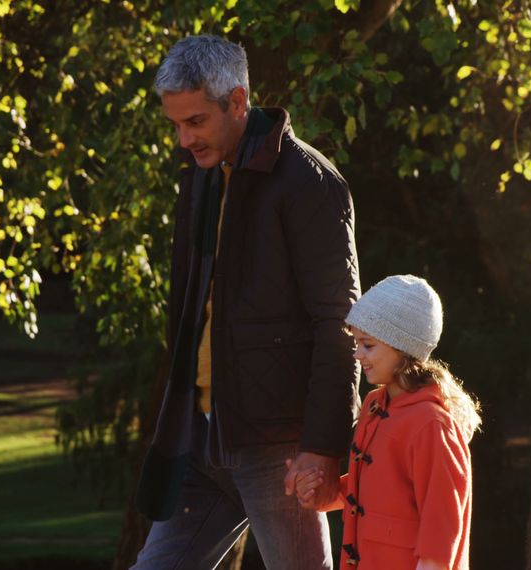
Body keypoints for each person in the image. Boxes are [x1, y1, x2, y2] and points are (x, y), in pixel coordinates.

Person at [132, 34, 361, 569]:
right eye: (176, 125)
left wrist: (322, 445)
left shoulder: (309, 182)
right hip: (201, 438)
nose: (184, 140)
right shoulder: (202, 176)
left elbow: (339, 323)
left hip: (278, 450)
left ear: (237, 102)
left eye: (196, 122)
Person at [289, 275, 481, 570]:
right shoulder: (374, 405)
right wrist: (319, 491)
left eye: (367, 345)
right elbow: (369, 487)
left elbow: (442, 521)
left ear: (401, 348)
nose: (357, 354)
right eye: (356, 343)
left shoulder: (432, 424)